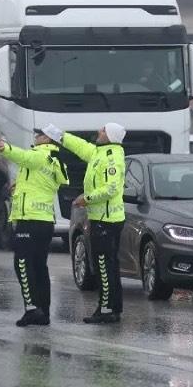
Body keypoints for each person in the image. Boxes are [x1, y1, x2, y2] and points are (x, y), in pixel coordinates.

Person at [42, 123, 127, 324]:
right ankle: (113, 307)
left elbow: (112, 188)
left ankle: (106, 309)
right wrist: (58, 134)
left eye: (103, 130)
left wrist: (86, 199)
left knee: (103, 266)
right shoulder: (100, 152)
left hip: (106, 221)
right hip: (102, 219)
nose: (99, 131)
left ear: (111, 136)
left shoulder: (112, 158)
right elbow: (79, 146)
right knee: (109, 265)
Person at [0, 128, 69, 327]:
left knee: (22, 264)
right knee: (39, 267)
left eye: (40, 135)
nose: (36, 137)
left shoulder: (39, 155)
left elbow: (23, 157)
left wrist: (5, 148)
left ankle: (32, 308)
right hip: (44, 221)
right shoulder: (55, 161)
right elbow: (41, 183)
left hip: (29, 220)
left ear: (48, 139)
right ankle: (44, 312)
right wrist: (20, 186)